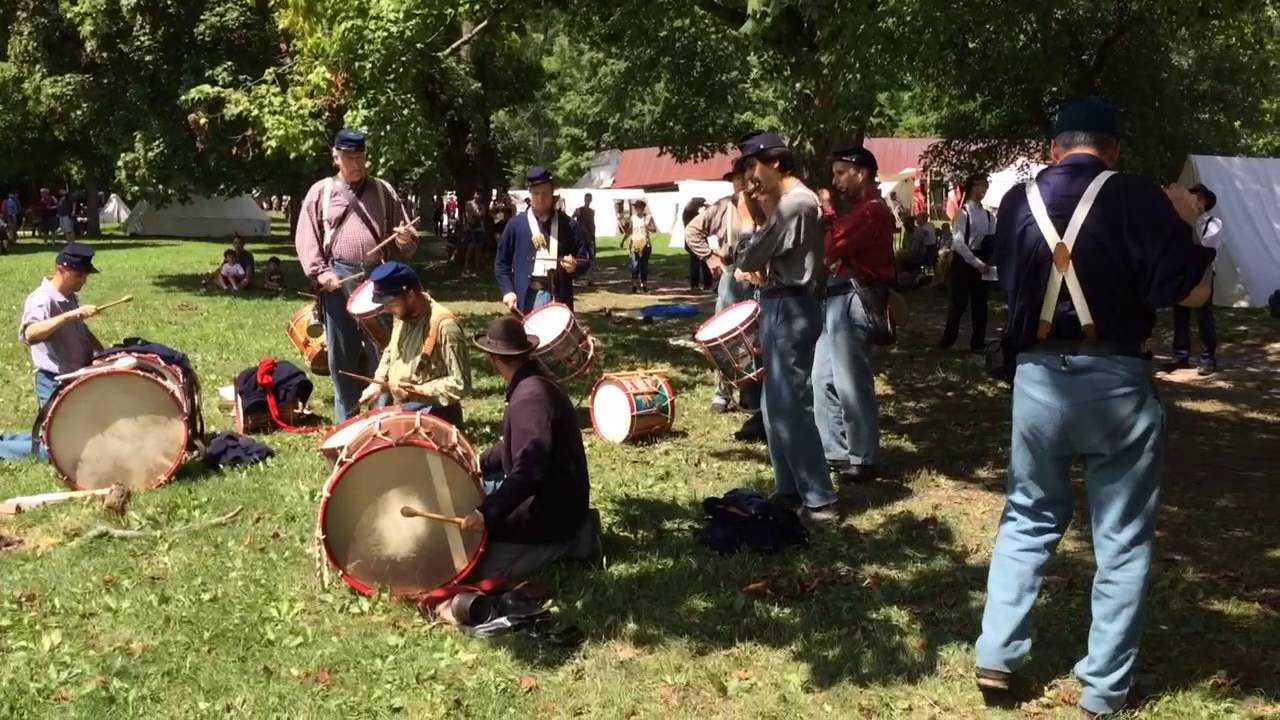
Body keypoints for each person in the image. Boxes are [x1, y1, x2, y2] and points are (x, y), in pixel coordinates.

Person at [974, 97, 1217, 719]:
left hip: (1036, 378)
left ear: (1057, 147)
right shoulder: (1136, 196)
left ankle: (997, 654)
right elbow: (1194, 290)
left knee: (1027, 515)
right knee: (1122, 537)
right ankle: (1103, 690)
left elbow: (1010, 283)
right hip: (1114, 378)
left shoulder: (1015, 202)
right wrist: (1186, 221)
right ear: (1113, 149)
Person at [732, 131, 835, 526]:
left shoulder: (796, 203)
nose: (750, 177)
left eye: (753, 166)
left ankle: (820, 499)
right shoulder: (787, 203)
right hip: (779, 302)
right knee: (774, 404)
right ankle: (790, 488)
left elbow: (752, 253)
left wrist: (745, 219)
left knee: (791, 403)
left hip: (792, 305)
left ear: (775, 162)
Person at [461, 316, 602, 580]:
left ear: (493, 359)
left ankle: (576, 542)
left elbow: (528, 472)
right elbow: (515, 445)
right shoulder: (532, 384)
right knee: (471, 502)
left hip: (553, 508)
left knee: (482, 571)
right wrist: (476, 463)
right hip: (550, 494)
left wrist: (486, 514)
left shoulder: (530, 398)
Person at [294, 128, 419, 421]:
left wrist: (404, 238)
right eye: (350, 158)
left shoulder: (383, 190)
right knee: (342, 356)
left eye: (361, 157)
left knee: (385, 351)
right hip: (337, 278)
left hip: (379, 279)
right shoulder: (321, 192)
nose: (357, 164)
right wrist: (320, 272)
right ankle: (346, 421)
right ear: (336, 157)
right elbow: (306, 238)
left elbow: (407, 240)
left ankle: (383, 420)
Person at [815, 146, 896, 485]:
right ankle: (835, 451)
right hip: (838, 299)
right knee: (822, 378)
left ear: (861, 173)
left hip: (853, 300)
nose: (835, 181)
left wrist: (829, 213)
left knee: (850, 382)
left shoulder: (872, 210)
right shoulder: (862, 211)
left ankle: (863, 457)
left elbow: (831, 246)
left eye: (840, 173)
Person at [0, 244, 105, 460]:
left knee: (82, 437)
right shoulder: (42, 299)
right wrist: (70, 315)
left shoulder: (68, 296)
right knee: (60, 450)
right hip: (54, 382)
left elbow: (79, 329)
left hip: (73, 379)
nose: (83, 280)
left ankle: (7, 441)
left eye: (86, 274)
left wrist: (102, 352)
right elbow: (31, 333)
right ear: (61, 270)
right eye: (79, 275)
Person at [358, 262, 471, 427]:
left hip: (437, 415)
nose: (387, 310)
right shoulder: (402, 313)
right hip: (405, 409)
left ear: (410, 295)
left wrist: (418, 391)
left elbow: (461, 384)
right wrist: (377, 382)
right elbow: (391, 350)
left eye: (390, 303)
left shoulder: (445, 326)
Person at [495, 167, 589, 313]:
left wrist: (575, 266)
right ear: (530, 193)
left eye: (545, 193)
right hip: (526, 297)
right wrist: (508, 290)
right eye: (536, 193)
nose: (540, 198)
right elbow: (502, 263)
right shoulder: (516, 225)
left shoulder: (568, 225)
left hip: (559, 296)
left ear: (552, 192)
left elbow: (585, 258)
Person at [1164, 183, 1224, 376]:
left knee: (1204, 315)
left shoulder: (1213, 223)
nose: (1195, 200)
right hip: (1182, 271)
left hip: (1203, 273)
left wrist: (1189, 222)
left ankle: (1208, 358)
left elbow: (1205, 247)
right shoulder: (1178, 221)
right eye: (1193, 196)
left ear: (1206, 202)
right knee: (1180, 313)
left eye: (1199, 198)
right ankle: (1180, 356)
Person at [939, 174, 997, 351]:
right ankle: (948, 340)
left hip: (982, 259)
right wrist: (976, 263)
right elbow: (958, 242)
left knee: (981, 303)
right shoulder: (963, 212)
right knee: (958, 303)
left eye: (985, 185)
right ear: (971, 187)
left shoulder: (989, 215)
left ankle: (978, 342)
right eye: (980, 185)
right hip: (964, 261)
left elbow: (993, 239)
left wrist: (989, 261)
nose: (983, 189)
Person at [625, 199, 657, 293]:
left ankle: (644, 284)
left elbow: (654, 230)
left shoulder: (647, 217)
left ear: (642, 208)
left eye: (638, 207)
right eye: (635, 207)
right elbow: (630, 230)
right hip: (635, 243)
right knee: (635, 265)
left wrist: (648, 226)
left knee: (644, 265)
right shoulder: (632, 218)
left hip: (645, 244)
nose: (636, 208)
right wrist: (625, 240)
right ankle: (634, 284)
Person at [681, 197, 712, 291]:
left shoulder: (696, 214)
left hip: (700, 241)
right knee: (696, 264)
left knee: (704, 263)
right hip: (693, 242)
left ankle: (706, 284)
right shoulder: (688, 215)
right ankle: (696, 285)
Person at [573, 193, 597, 286]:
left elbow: (592, 224)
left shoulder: (592, 212)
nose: (587, 201)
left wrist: (593, 235)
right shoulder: (579, 210)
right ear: (584, 199)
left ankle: (590, 278)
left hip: (589, 237)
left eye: (589, 199)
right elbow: (571, 219)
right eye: (586, 199)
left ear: (591, 200)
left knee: (591, 257)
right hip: (580, 237)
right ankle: (575, 276)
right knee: (579, 257)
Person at [462, 190, 486, 275]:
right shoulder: (469, 204)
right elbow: (471, 215)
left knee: (478, 248)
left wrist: (477, 215)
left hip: (480, 229)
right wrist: (477, 214)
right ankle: (466, 267)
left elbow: (482, 215)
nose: (478, 196)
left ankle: (477, 267)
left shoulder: (482, 205)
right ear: (474, 195)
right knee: (470, 247)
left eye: (480, 194)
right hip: (471, 228)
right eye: (477, 194)